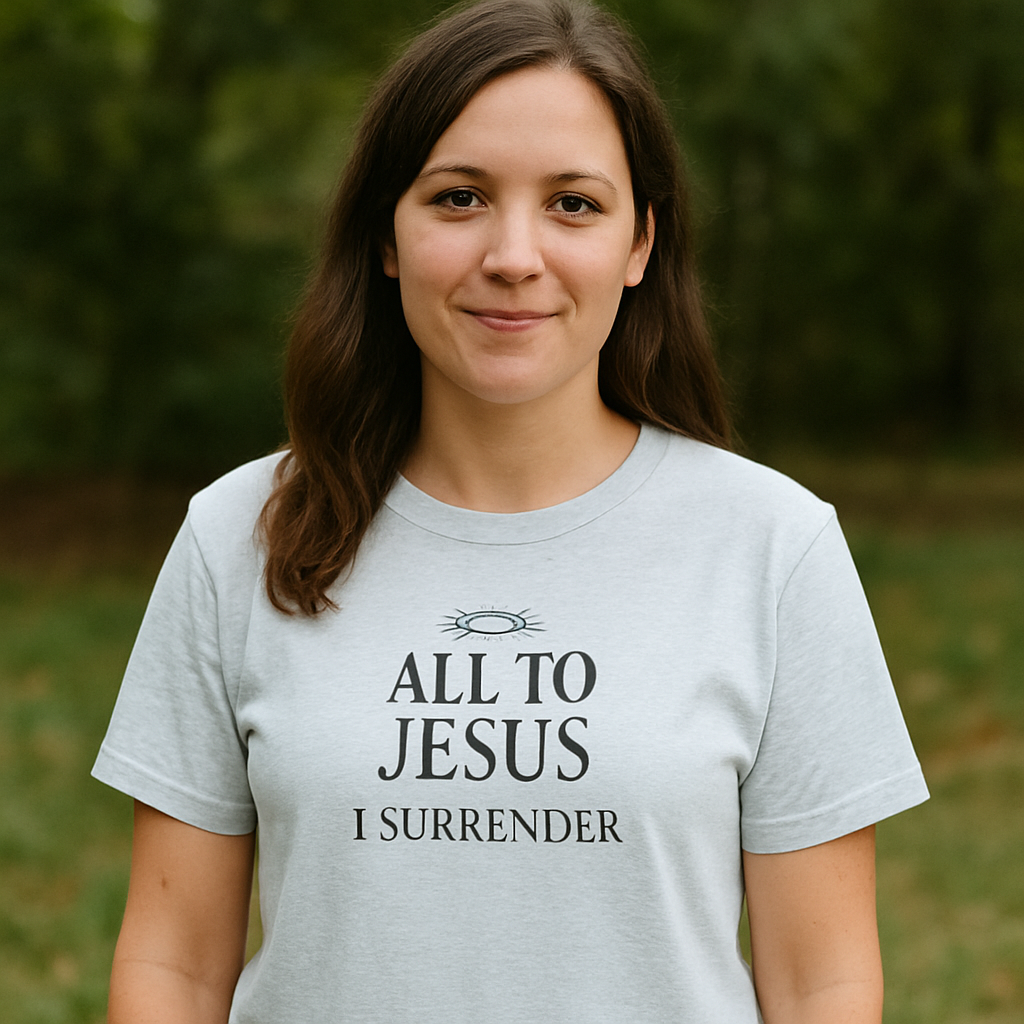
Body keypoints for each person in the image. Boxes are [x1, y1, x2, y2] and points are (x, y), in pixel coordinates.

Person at [93, 1, 928, 1021]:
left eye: (573, 203)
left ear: (639, 244)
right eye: (459, 198)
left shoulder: (772, 548)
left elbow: (821, 983)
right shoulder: (238, 536)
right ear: (386, 236)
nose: (514, 255)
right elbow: (172, 967)